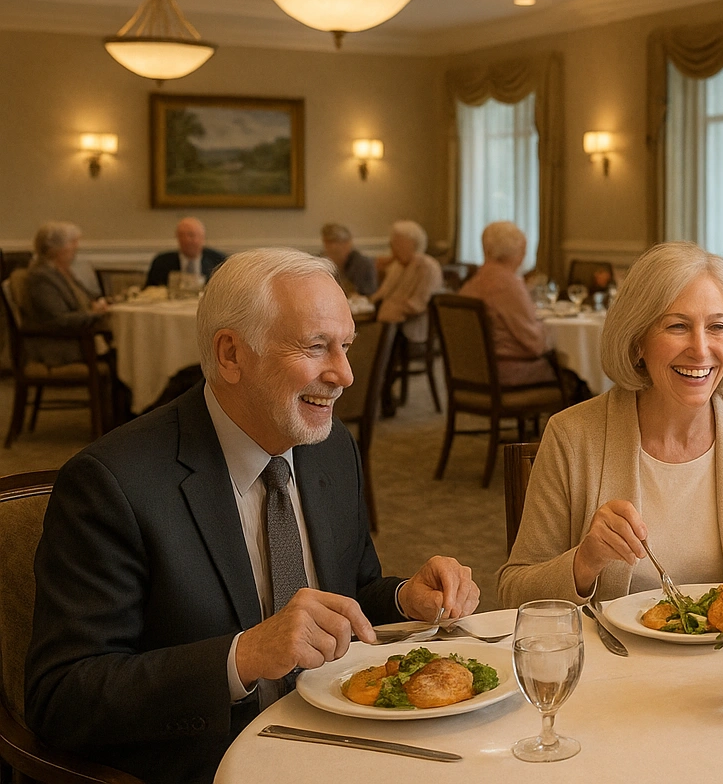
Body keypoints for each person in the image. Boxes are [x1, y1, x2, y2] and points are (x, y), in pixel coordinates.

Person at [27, 249, 480, 784]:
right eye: (316, 347)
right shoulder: (114, 483)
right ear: (230, 355)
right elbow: (62, 698)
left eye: (346, 347)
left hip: (347, 743)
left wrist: (405, 596)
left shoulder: (330, 450)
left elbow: (350, 593)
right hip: (211, 763)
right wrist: (243, 656)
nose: (345, 375)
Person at [498, 241, 723, 607]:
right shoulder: (573, 436)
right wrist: (585, 561)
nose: (701, 348)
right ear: (637, 342)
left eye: (717, 327)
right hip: (616, 659)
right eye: (677, 326)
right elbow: (513, 591)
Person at [13, 222, 130, 421]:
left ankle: (121, 414)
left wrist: (101, 305)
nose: (76, 248)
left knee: (124, 350)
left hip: (75, 337)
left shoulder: (61, 271)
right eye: (72, 243)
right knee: (125, 352)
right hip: (58, 345)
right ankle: (120, 417)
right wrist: (97, 315)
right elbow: (58, 320)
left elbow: (85, 299)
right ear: (55, 249)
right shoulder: (41, 277)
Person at [459, 222, 555, 386]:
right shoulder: (508, 284)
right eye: (523, 251)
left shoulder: (473, 282)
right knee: (573, 376)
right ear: (515, 252)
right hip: (506, 372)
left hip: (472, 370)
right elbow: (534, 343)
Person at [370, 219, 442, 343]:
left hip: (412, 326)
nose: (393, 247)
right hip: (389, 323)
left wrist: (388, 309)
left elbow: (417, 304)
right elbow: (382, 294)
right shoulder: (397, 266)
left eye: (398, 242)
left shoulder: (427, 266)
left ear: (413, 244)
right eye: (393, 243)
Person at [145, 216, 227, 288]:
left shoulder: (218, 261)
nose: (186, 240)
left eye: (191, 235)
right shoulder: (161, 262)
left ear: (202, 238)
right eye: (181, 235)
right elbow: (148, 291)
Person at [321, 222, 378, 297]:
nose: (332, 247)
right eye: (327, 242)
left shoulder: (363, 264)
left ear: (348, 243)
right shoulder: (321, 263)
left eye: (336, 241)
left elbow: (369, 293)